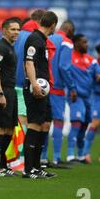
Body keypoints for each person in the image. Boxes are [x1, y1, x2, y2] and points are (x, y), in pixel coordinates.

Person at [22, 11, 58, 179]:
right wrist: (34, 83)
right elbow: (28, 63)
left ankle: (37, 166)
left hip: (43, 89)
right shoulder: (34, 39)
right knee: (34, 125)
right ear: (53, 25)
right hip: (35, 88)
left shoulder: (42, 40)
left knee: (44, 124)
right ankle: (28, 169)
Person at [40, 20, 77, 168]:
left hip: (44, 85)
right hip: (57, 88)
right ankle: (55, 158)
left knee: (43, 123)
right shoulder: (67, 42)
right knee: (58, 121)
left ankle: (42, 157)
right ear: (69, 29)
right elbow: (64, 66)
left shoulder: (48, 38)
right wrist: (72, 87)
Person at [12, 9, 45, 170]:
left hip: (11, 83)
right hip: (23, 84)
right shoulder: (33, 38)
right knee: (24, 123)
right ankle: (20, 158)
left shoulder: (16, 37)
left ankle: (10, 157)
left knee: (13, 123)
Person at [66, 34, 100, 163]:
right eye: (84, 42)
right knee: (76, 123)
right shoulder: (69, 58)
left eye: (86, 42)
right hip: (76, 96)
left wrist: (99, 76)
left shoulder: (91, 60)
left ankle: (81, 155)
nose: (86, 44)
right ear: (76, 44)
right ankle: (70, 155)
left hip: (88, 98)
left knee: (84, 125)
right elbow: (63, 72)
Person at [0, 17, 20, 177]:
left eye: (17, 29)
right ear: (4, 30)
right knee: (1, 127)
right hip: (3, 92)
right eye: (13, 29)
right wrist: (0, 93)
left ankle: (3, 164)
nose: (16, 32)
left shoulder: (10, 47)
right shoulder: (1, 48)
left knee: (9, 128)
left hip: (10, 90)